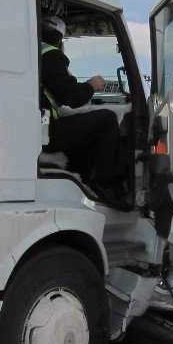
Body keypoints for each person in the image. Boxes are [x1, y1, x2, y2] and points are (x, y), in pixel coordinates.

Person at [39, 15, 126, 207]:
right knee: (106, 119)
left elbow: (56, 93)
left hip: (39, 129)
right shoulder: (49, 54)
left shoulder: (32, 53)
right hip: (44, 133)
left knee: (84, 132)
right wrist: (90, 86)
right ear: (59, 39)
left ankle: (83, 181)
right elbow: (73, 97)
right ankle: (108, 186)